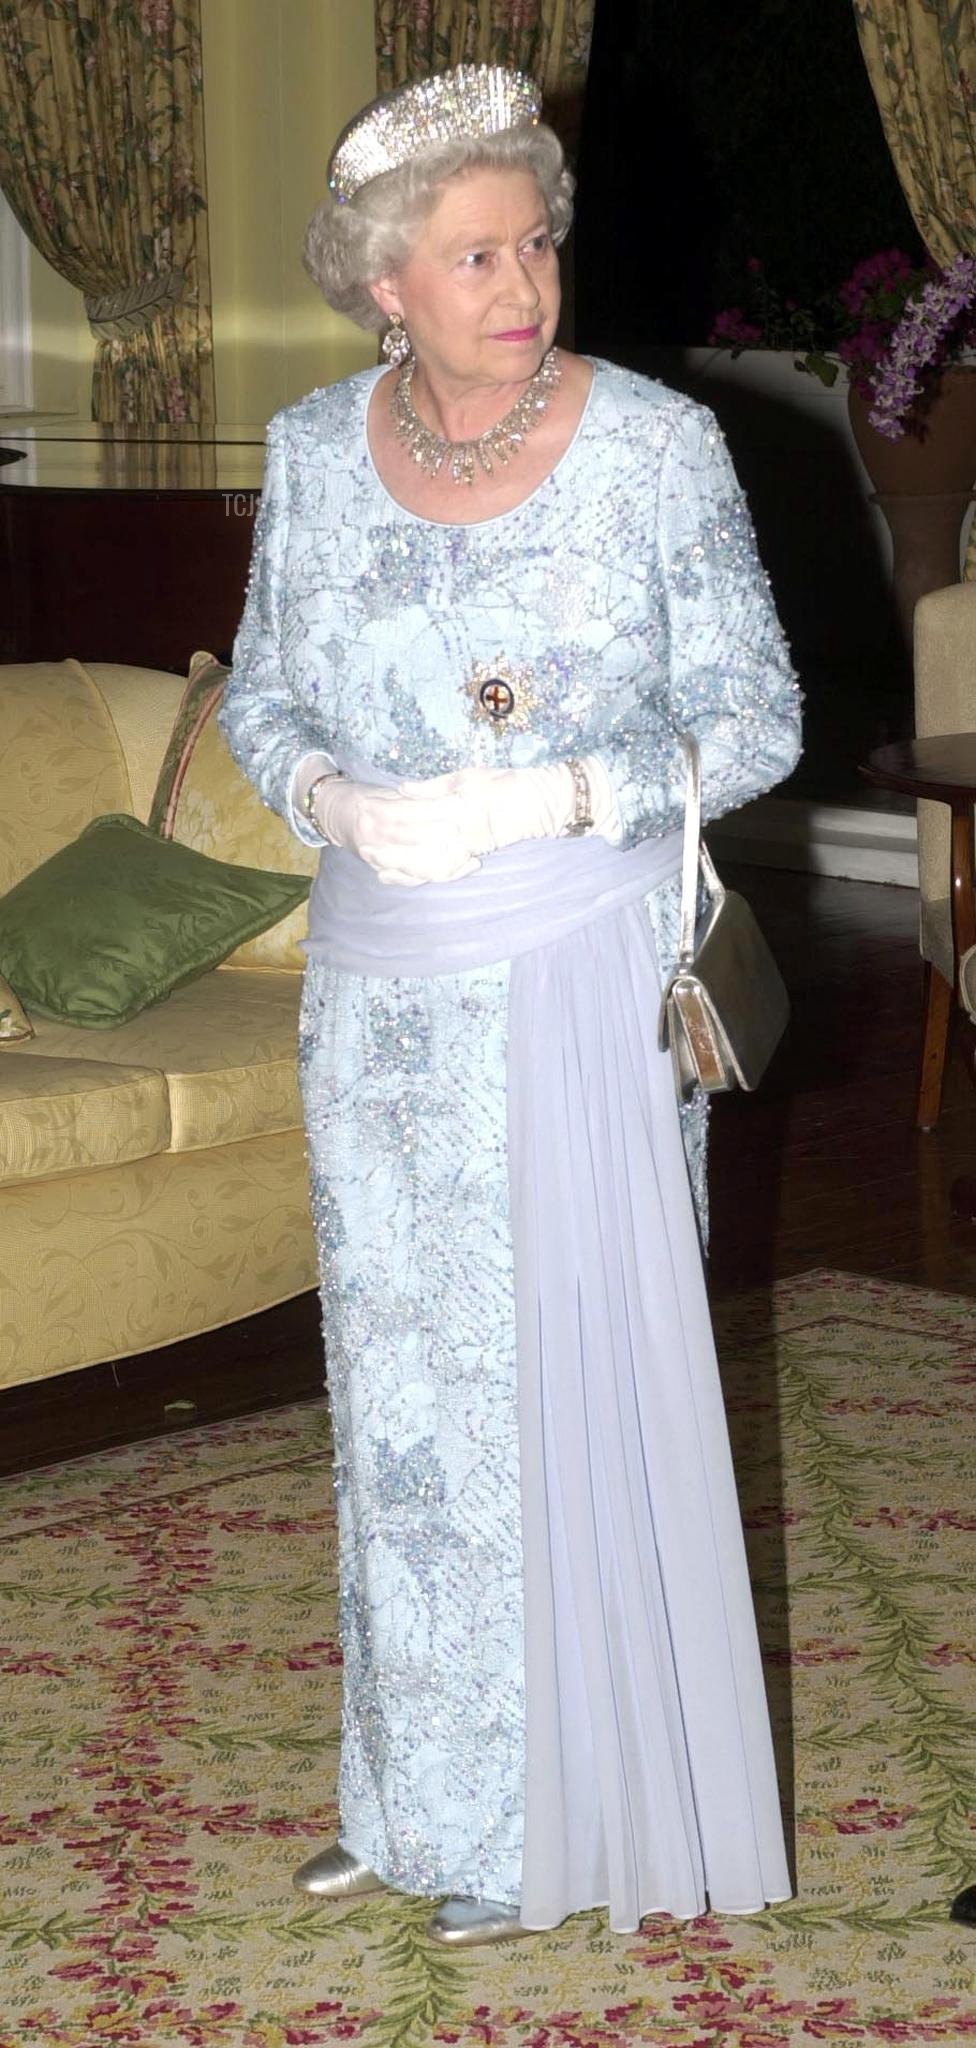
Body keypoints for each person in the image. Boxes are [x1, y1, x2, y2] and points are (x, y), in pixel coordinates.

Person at [218, 61, 802, 1949]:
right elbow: (263, 697)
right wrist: (331, 797)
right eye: (477, 254)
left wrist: (562, 791)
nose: (526, 281)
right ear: (387, 282)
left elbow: (762, 714)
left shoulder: (651, 448)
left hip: (581, 978)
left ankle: (562, 1812)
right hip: (379, 1007)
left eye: (536, 240)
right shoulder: (314, 449)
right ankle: (413, 1801)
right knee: (402, 1409)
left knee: (557, 1397)